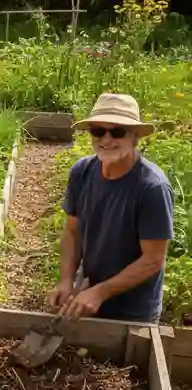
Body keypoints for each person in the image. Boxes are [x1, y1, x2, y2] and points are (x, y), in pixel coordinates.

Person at [49, 93, 173, 323]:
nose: (106, 139)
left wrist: (100, 292)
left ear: (135, 137)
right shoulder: (82, 172)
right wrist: (66, 280)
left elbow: (153, 260)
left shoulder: (152, 187)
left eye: (117, 131)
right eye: (98, 130)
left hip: (133, 312)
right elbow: (73, 231)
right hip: (87, 298)